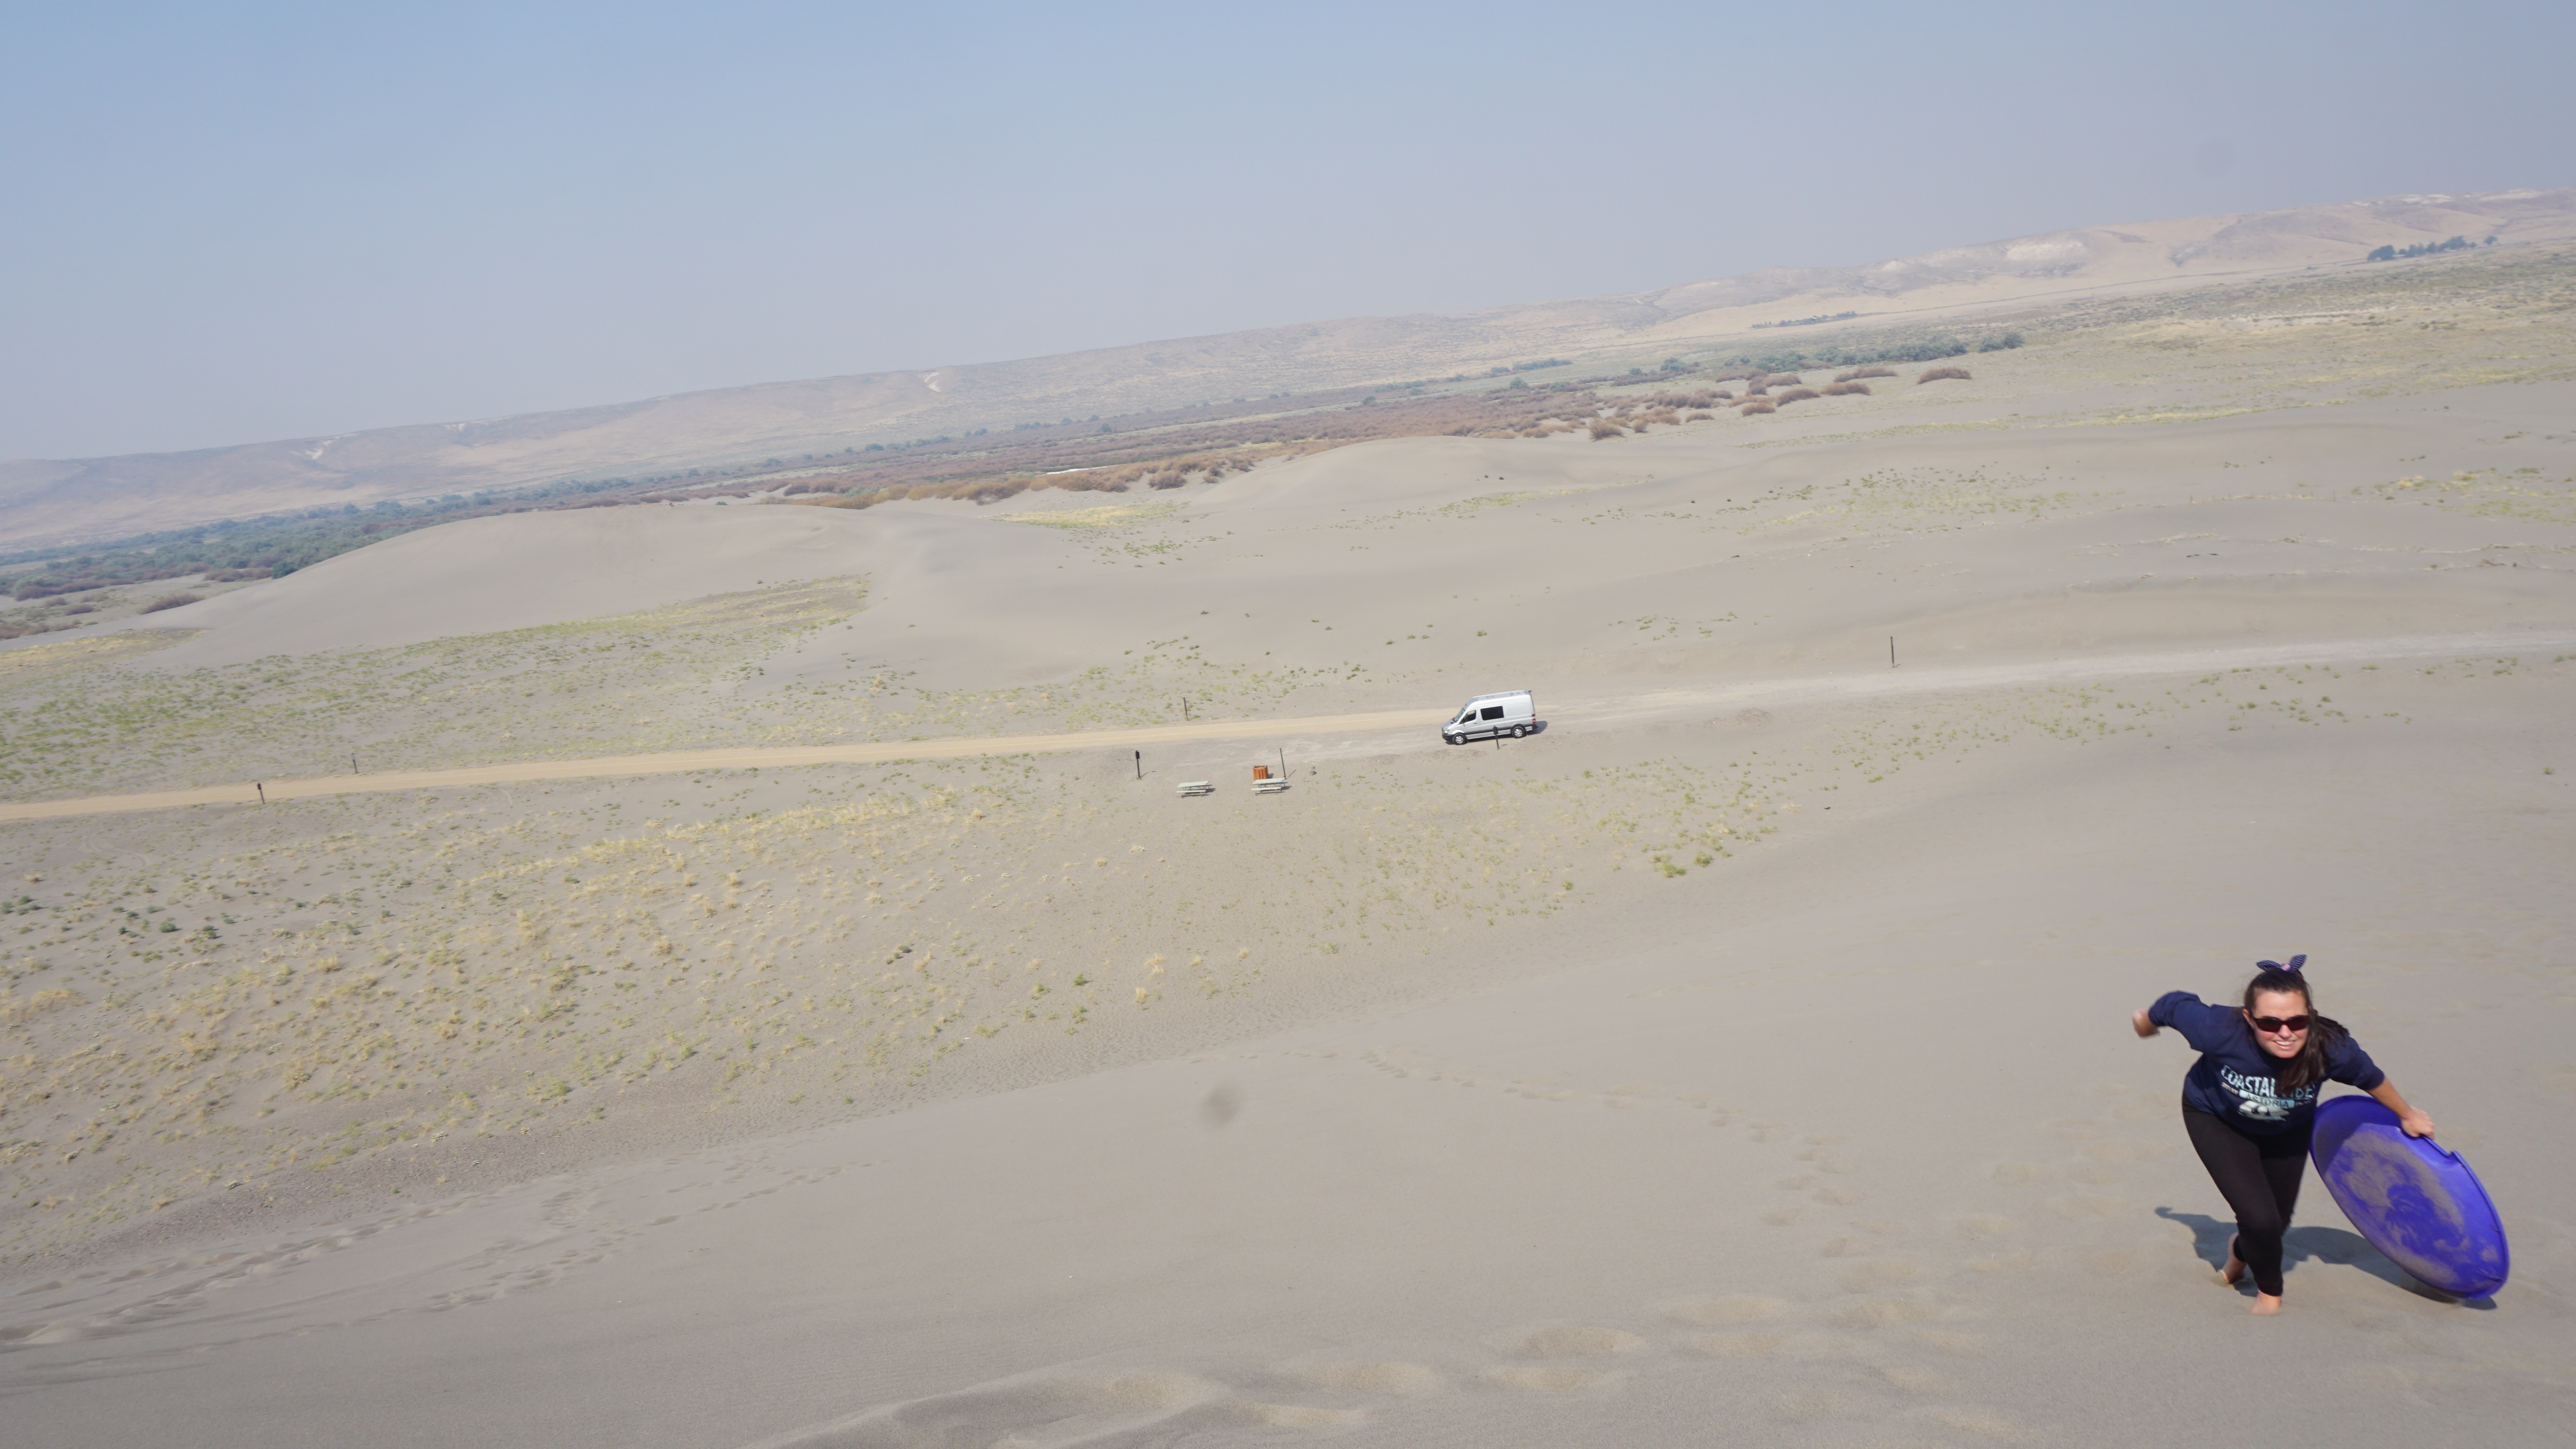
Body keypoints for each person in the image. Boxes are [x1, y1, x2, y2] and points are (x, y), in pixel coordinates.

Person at [2132, 955, 2434, 1315]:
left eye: (2297, 1021)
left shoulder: (2330, 1049)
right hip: (2217, 1118)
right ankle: (2269, 1298)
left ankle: (2239, 1253)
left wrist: (2408, 1114)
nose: (2285, 1032)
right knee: (2259, 1219)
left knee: (2275, 1225)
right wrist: (2146, 1022)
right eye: (2270, 1023)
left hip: (2288, 1129)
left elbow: (2371, 1079)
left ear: (2311, 1016)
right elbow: (2174, 1005)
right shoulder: (2217, 1029)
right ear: (2249, 1019)